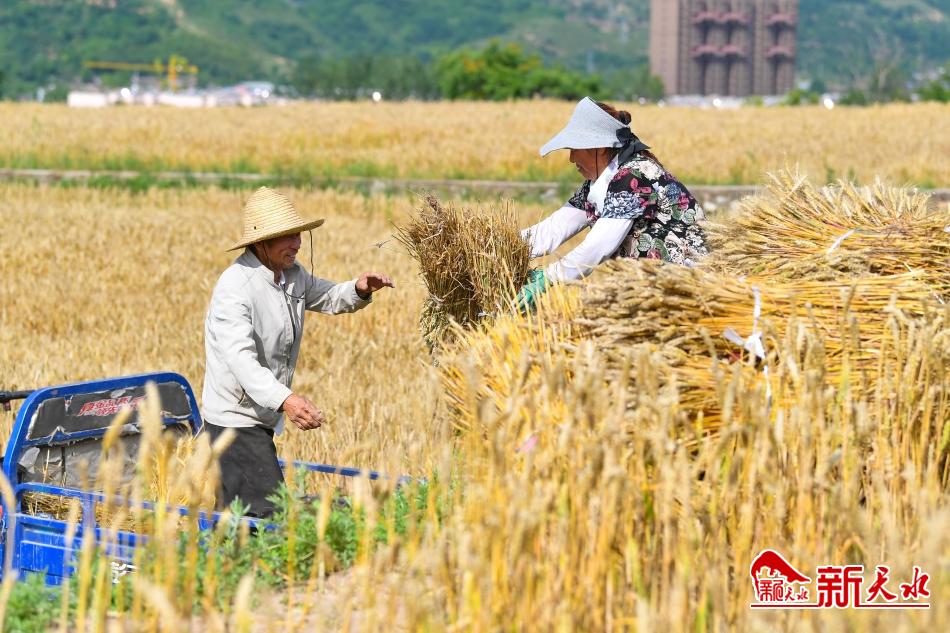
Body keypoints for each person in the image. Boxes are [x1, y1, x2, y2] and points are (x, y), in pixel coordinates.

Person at [202, 186, 394, 517]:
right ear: (261, 242)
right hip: (234, 421)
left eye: (298, 234)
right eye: (287, 236)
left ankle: (225, 561)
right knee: (270, 515)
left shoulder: (292, 275)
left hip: (261, 416)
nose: (297, 243)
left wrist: (359, 289)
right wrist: (287, 400)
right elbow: (242, 364)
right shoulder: (235, 288)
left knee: (241, 517)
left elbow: (327, 296)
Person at [517, 97, 708, 310]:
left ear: (598, 147)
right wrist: (504, 246)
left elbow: (599, 246)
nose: (571, 158)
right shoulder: (596, 185)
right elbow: (554, 228)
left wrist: (548, 277)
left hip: (686, 288)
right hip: (652, 290)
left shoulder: (633, 177)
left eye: (575, 148)